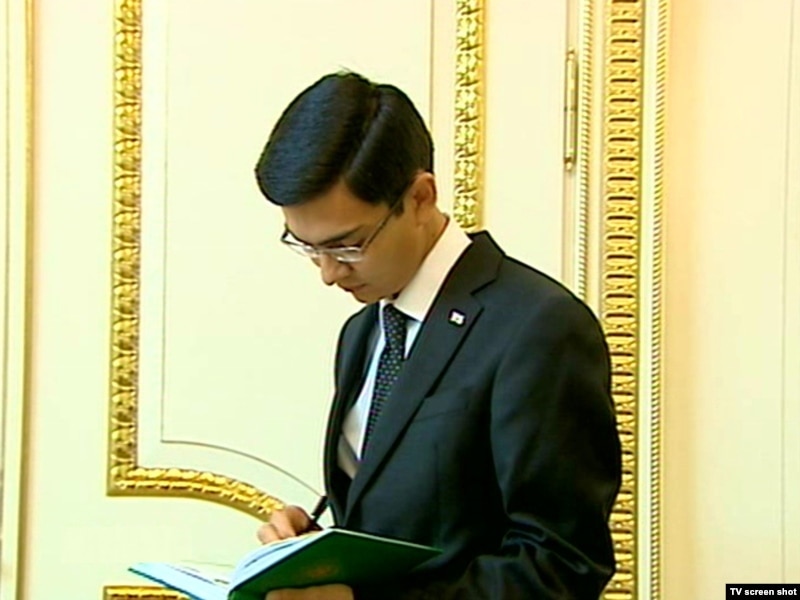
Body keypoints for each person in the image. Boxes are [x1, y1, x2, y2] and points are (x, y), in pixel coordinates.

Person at [252, 71, 621, 600]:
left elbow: (562, 566)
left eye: (348, 247)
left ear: (421, 197)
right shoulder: (364, 331)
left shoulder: (539, 327)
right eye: (307, 247)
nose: (329, 274)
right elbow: (405, 530)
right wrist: (316, 554)